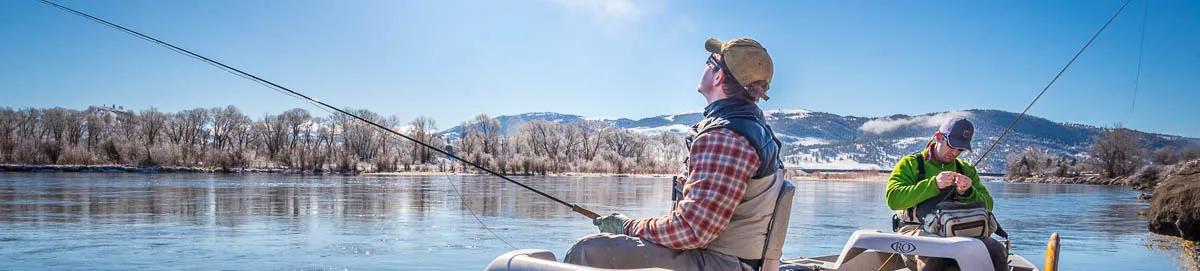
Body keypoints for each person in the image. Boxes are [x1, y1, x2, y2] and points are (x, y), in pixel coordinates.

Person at [562, 37, 785, 271]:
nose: (705, 67)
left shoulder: (725, 137)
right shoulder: (753, 130)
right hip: (731, 260)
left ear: (718, 76)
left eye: (711, 62)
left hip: (720, 264)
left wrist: (627, 226)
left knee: (587, 251)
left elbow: (691, 230)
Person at [885, 117, 1008, 271]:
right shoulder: (910, 164)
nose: (955, 152)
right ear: (938, 137)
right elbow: (893, 199)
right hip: (915, 230)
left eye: (961, 149)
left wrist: (968, 192)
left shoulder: (966, 170)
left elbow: (988, 205)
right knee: (937, 254)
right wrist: (933, 185)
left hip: (962, 233)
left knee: (995, 250)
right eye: (952, 146)